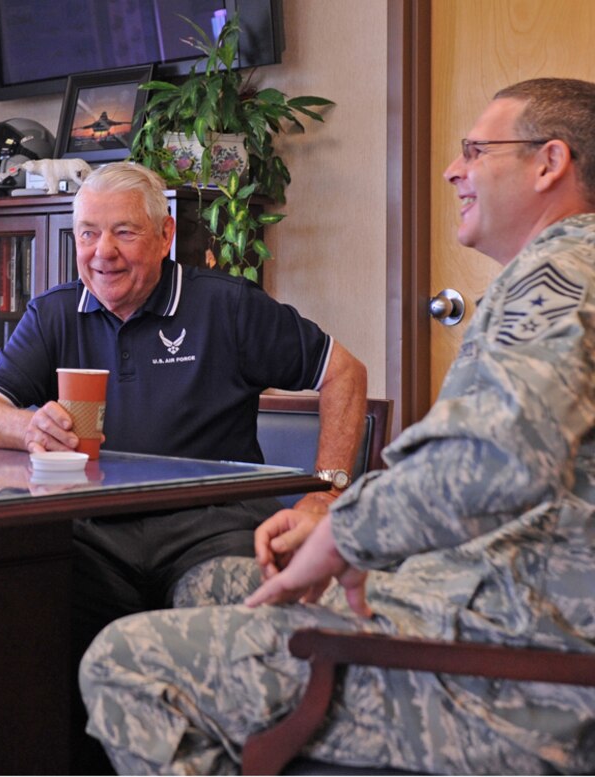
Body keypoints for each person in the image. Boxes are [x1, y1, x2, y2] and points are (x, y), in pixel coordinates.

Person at [79, 77, 595, 776]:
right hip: (488, 603)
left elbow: (498, 460)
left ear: (549, 163)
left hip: (512, 670)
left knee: (124, 661)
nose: (453, 169)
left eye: (474, 150)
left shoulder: (564, 273)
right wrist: (342, 518)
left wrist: (345, 529)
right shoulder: (557, 272)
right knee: (213, 586)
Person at [0, 161, 367, 772]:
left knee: (244, 630)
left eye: (123, 232)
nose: (103, 253)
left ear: (166, 234)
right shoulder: (55, 313)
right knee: (15, 618)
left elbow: (344, 373)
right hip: (93, 535)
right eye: (87, 233)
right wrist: (26, 425)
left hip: (214, 530)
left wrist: (327, 494)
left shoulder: (225, 306)